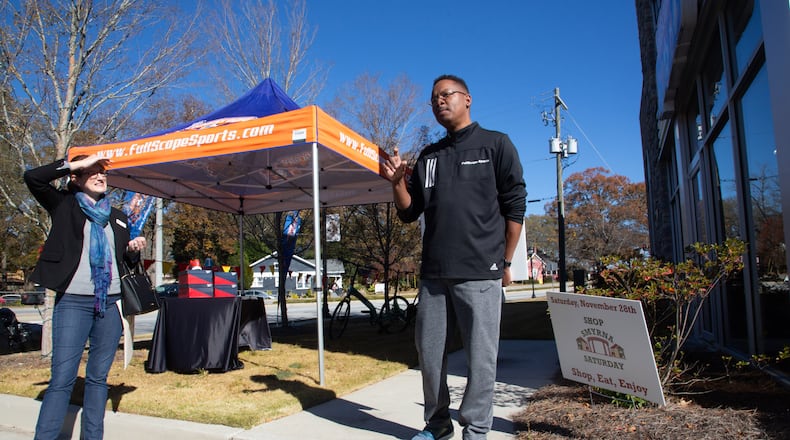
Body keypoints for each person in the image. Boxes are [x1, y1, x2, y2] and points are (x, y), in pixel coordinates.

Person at [384, 74, 526, 440]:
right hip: (434, 274)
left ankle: (476, 430)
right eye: (433, 100)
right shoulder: (430, 156)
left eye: (445, 95)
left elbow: (515, 207)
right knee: (430, 357)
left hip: (481, 272)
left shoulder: (496, 145)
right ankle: (437, 426)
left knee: (480, 360)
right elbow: (408, 212)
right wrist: (397, 181)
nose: (439, 102)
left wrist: (506, 263)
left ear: (467, 99)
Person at [24, 154, 147, 439]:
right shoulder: (64, 205)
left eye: (102, 172)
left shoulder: (118, 217)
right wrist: (76, 162)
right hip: (73, 303)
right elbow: (33, 178)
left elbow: (123, 262)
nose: (100, 175)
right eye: (92, 172)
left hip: (111, 303)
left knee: (97, 380)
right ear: (76, 178)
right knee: (62, 380)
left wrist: (132, 250)